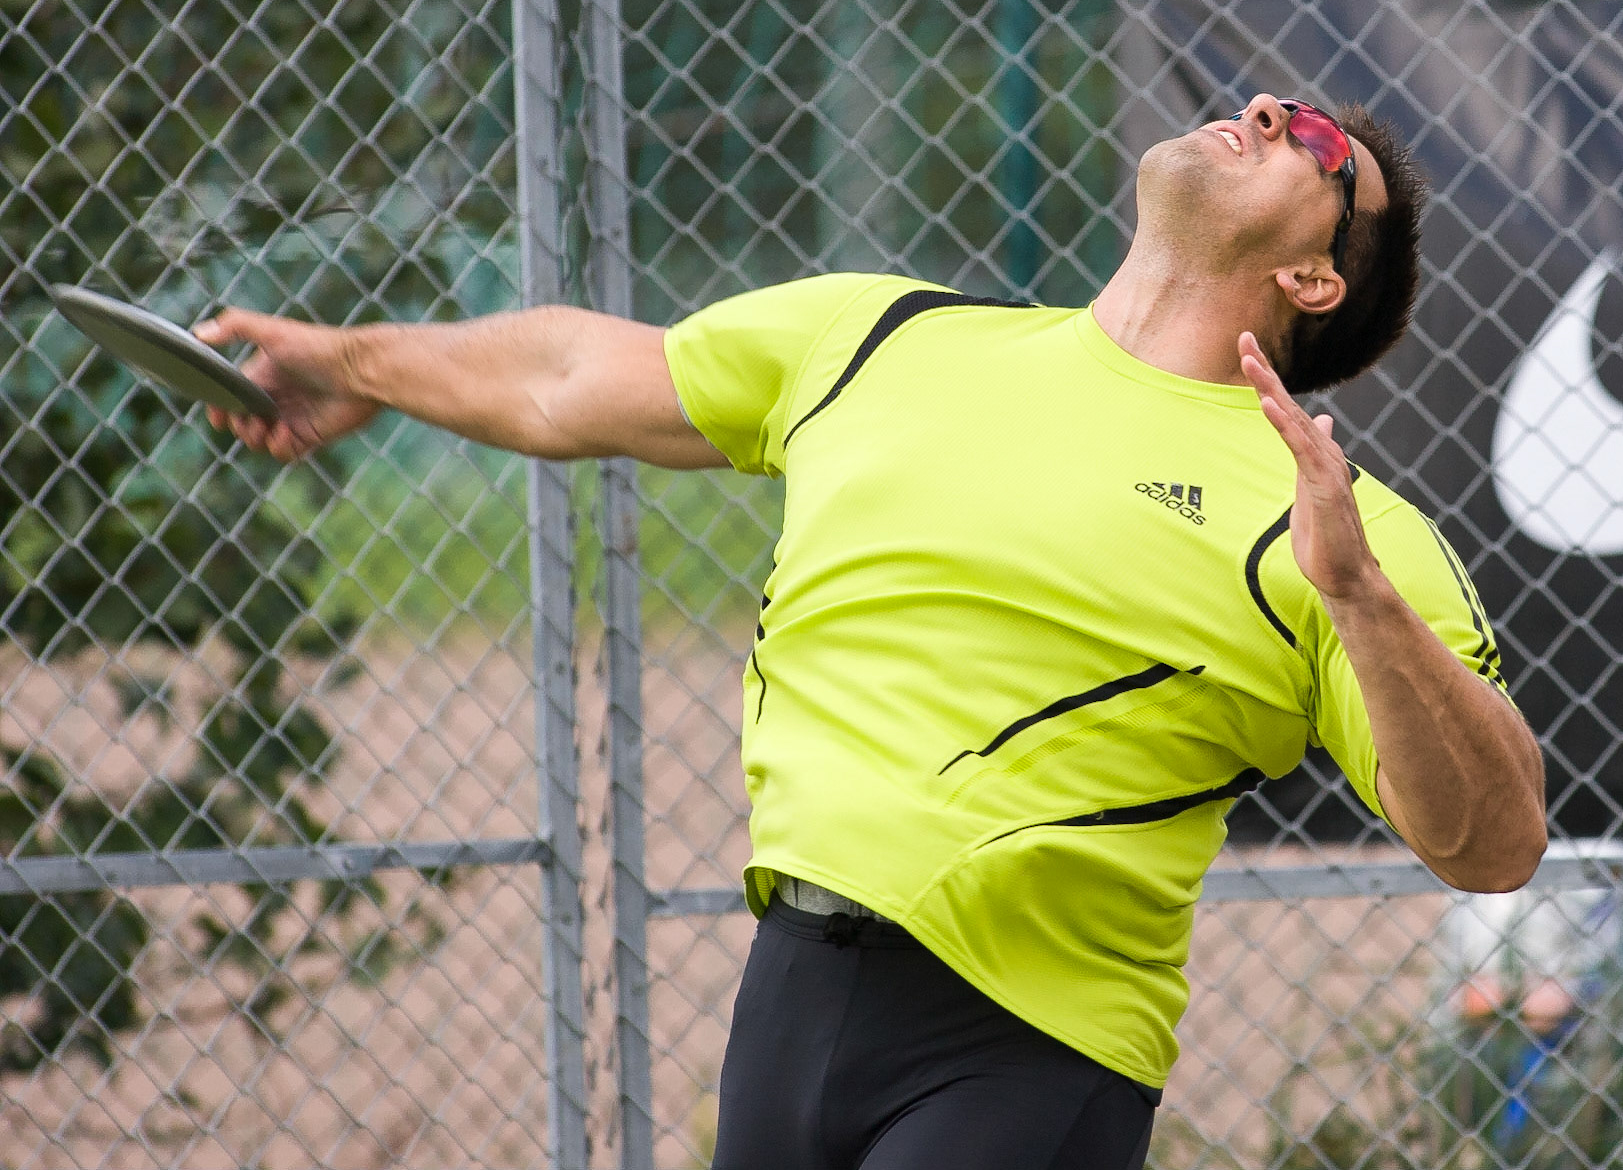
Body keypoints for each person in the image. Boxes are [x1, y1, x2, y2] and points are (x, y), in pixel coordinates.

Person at [199, 93, 1548, 1170]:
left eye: (1312, 142)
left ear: (1314, 276)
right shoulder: (885, 333)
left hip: (1024, 1051)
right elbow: (567, 374)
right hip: (788, 997)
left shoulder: (1332, 522)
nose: (1262, 113)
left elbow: (1491, 842)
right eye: (1268, 104)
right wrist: (355, 362)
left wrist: (1362, 602)